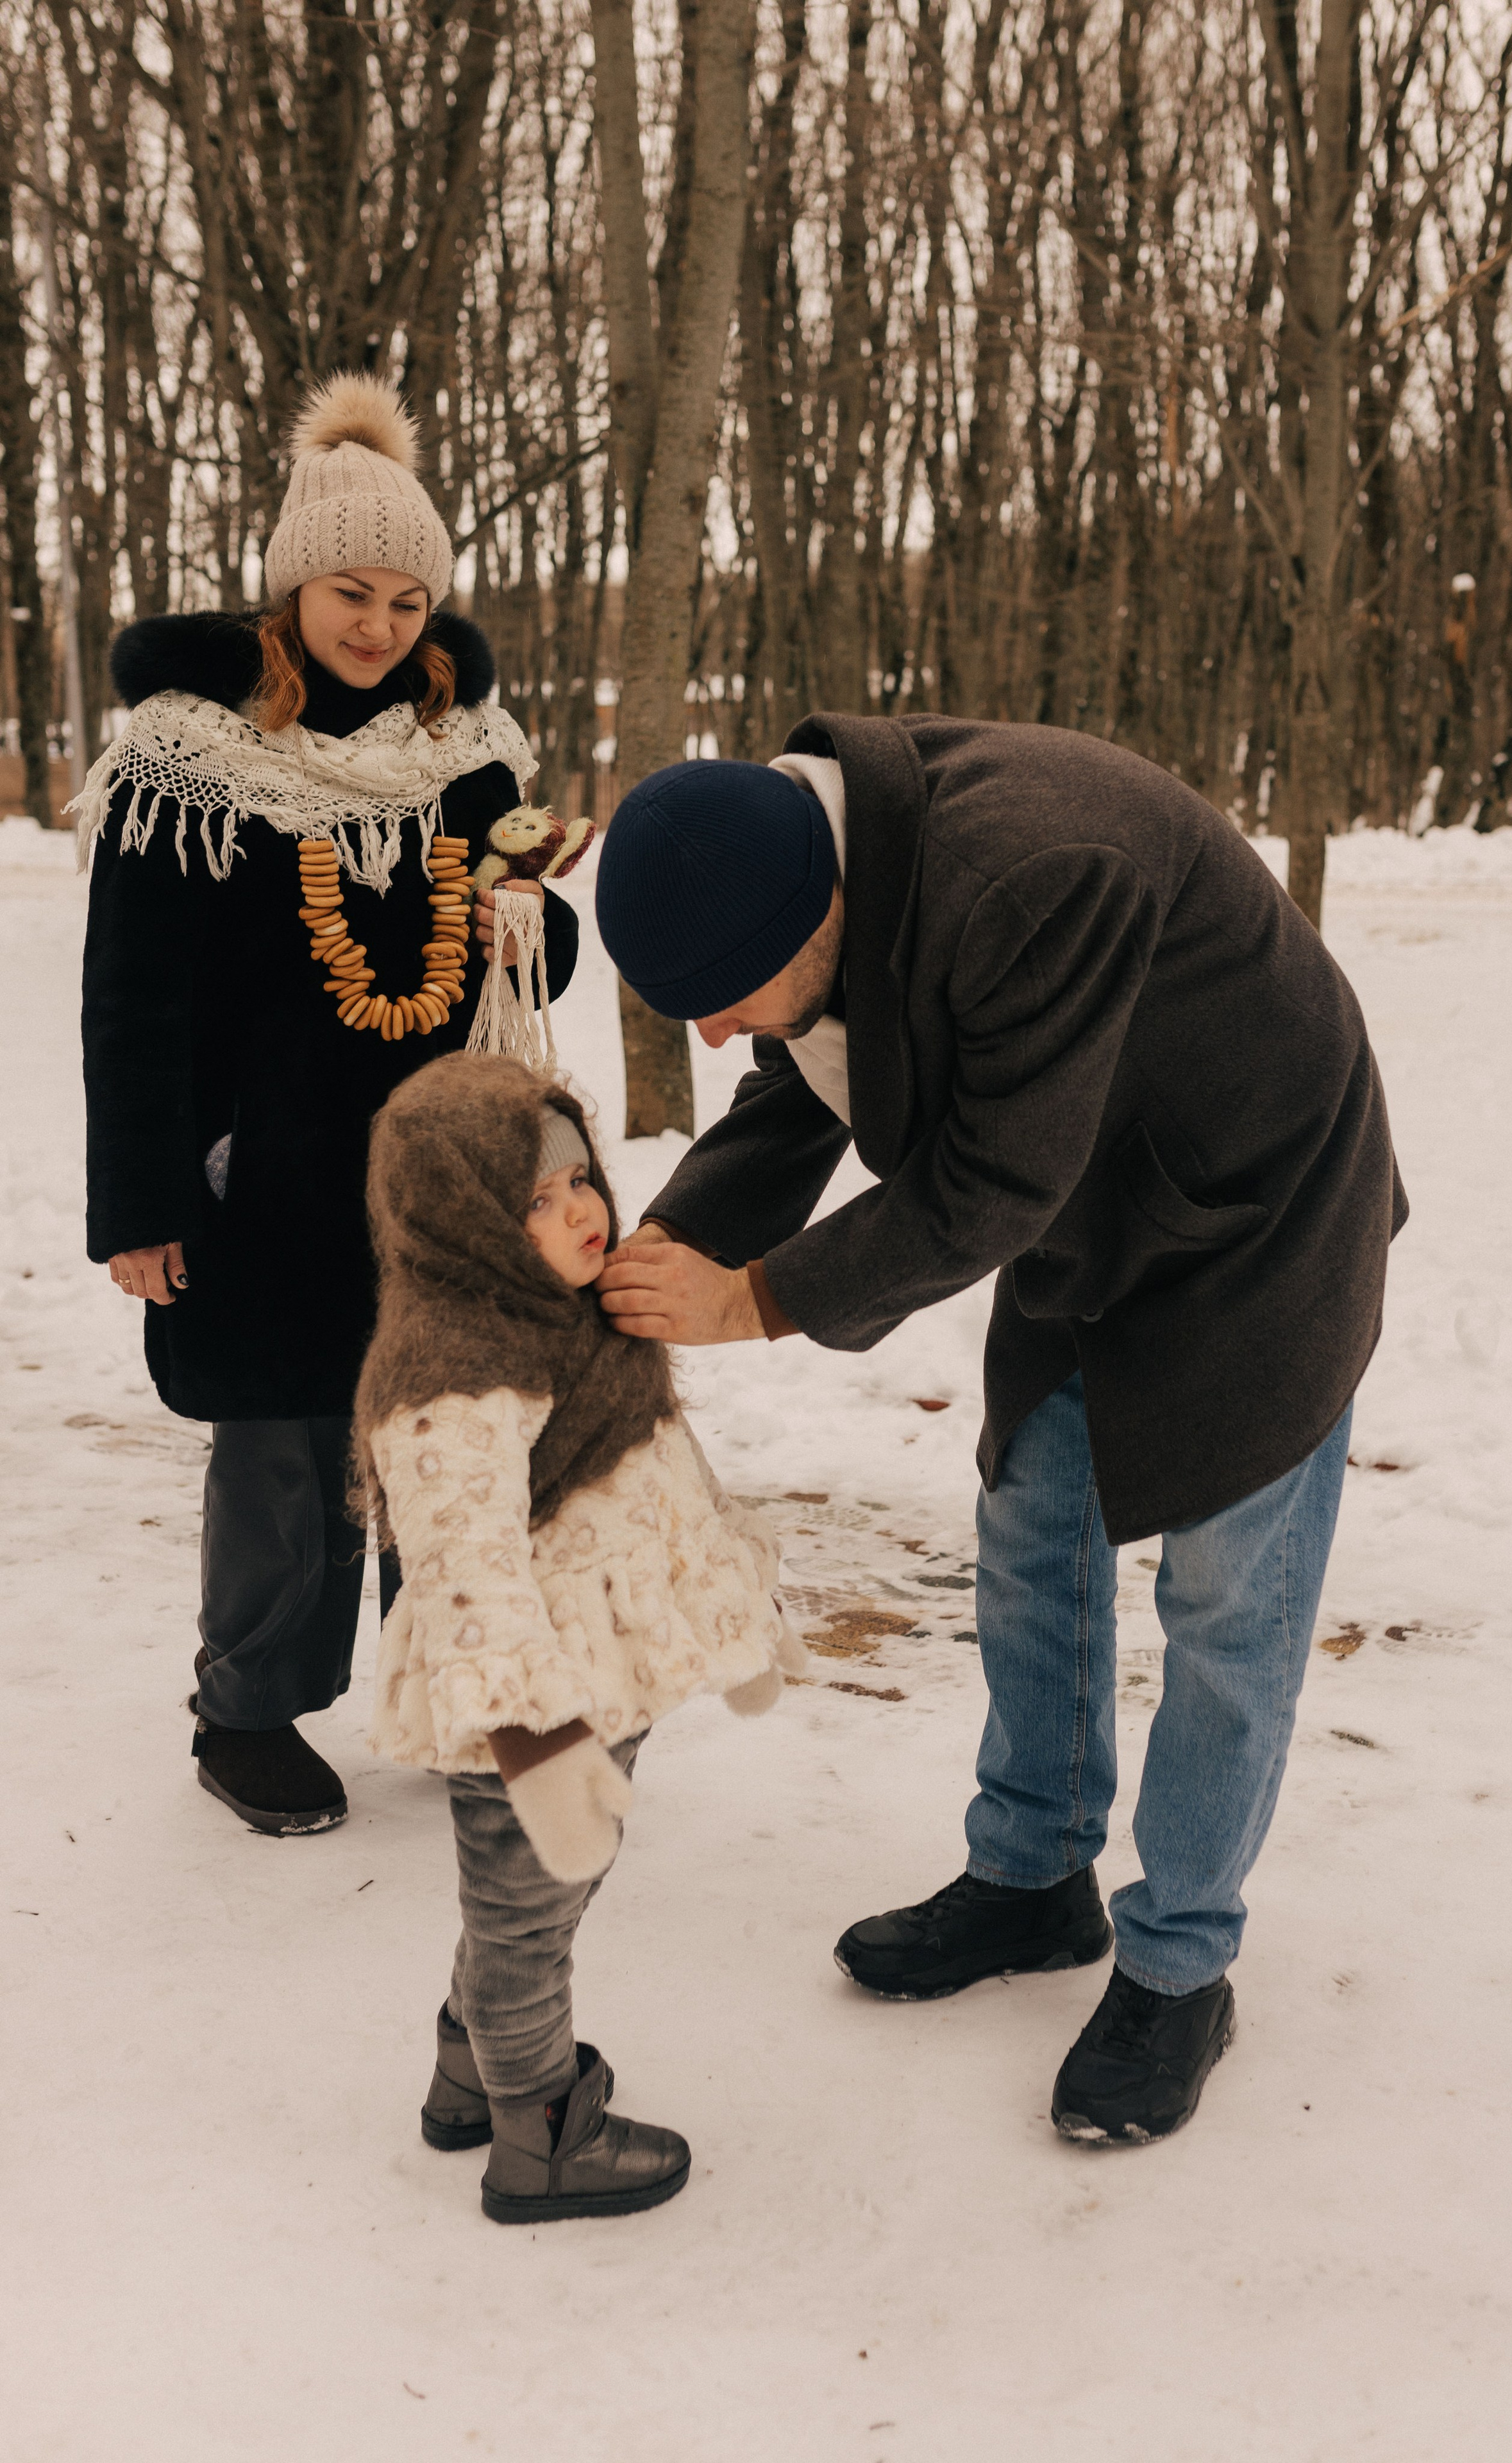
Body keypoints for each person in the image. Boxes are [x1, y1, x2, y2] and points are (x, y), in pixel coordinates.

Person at [591, 720, 1407, 2146]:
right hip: (1090, 1191)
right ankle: (1033, 1878)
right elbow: (803, 1079)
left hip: (1256, 1214)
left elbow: (987, 1183)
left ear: (813, 914)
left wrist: (759, 1301)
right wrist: (667, 1250)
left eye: (720, 1000)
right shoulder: (820, 871)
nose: (713, 1032)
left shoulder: (1036, 872)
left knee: (1226, 1601)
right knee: (1033, 1526)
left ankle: (1180, 1966)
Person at [76, 373, 574, 1838]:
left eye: (410, 600)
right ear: (290, 588)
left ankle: (461, 1686)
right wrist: (145, 1200)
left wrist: (530, 913)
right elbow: (134, 999)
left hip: (442, 1177)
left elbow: (524, 938)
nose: (380, 625)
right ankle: (248, 1711)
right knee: (286, 1455)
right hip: (264, 1180)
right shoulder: (189, 763)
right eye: (352, 591)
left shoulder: (467, 759)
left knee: (457, 1438)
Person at [353, 1056, 803, 2222]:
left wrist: (737, 1626)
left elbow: (662, 1481)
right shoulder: (452, 1372)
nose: (581, 1214)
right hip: (529, 1706)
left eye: (578, 1180)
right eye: (535, 1203)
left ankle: (471, 2072)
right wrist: (538, 1746)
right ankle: (540, 2130)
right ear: (463, 1225)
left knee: (548, 1900)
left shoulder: (577, 1313)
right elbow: (469, 1579)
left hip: (612, 1672)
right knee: (524, 1917)